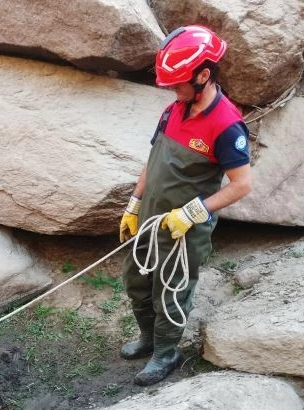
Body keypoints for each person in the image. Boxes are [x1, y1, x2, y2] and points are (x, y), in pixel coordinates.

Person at [118, 25, 253, 387]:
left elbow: (242, 185)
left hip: (184, 228)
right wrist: (134, 204)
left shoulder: (228, 125)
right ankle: (148, 338)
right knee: (137, 280)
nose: (173, 92)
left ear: (203, 75)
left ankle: (167, 352)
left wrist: (193, 213)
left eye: (178, 84)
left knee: (172, 289)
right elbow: (153, 158)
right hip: (152, 217)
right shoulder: (173, 110)